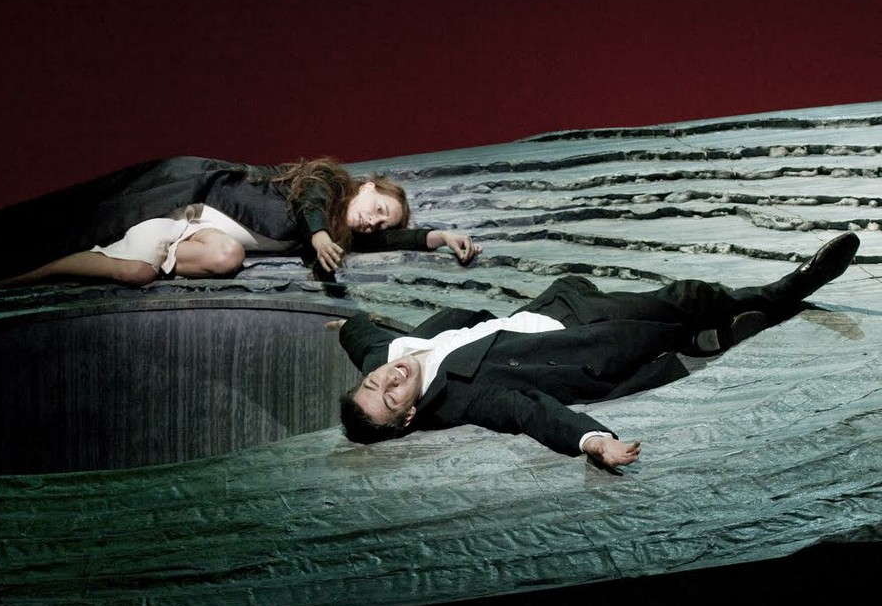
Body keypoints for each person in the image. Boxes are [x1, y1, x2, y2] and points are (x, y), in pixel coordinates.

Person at [332, 232, 860, 468]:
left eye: (376, 381)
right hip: (580, 343)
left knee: (678, 318)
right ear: (407, 418)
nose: (390, 378)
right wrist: (592, 441)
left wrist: (342, 325)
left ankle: (710, 338)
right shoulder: (462, 398)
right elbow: (528, 411)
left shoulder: (386, 356)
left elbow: (364, 339)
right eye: (391, 397)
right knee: (684, 299)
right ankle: (789, 290)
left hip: (558, 308)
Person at [0, 156, 481, 286]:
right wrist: (321, 233)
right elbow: (312, 200)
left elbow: (392, 239)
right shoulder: (326, 183)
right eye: (379, 209)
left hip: (203, 235)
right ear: (367, 186)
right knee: (133, 272)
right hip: (181, 204)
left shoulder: (337, 232)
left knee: (227, 257)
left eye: (380, 224)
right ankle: (28, 269)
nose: (373, 223)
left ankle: (95, 260)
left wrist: (441, 236)